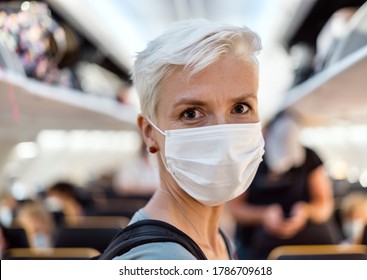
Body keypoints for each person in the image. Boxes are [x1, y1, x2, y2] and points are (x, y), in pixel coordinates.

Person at [111, 19, 265, 260]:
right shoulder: (161, 260)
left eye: (240, 108)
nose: (224, 136)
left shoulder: (217, 241)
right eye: (191, 113)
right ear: (150, 133)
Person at [228, 111, 339, 260]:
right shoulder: (248, 159)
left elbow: (325, 205)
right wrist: (263, 215)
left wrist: (306, 212)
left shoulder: (310, 158)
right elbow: (235, 208)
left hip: (306, 243)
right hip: (256, 244)